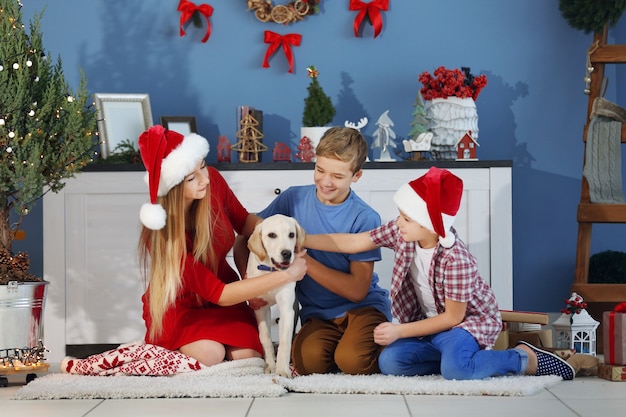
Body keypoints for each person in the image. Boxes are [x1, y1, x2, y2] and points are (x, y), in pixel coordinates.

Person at [305, 166, 575, 380]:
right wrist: (303, 239)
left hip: (463, 326)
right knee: (390, 362)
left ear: (432, 225)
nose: (399, 222)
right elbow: (355, 242)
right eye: (401, 215)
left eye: (407, 218)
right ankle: (454, 359)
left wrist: (400, 331)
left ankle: (522, 358)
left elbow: (453, 317)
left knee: (457, 371)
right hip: (430, 326)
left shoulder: (456, 260)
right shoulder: (404, 232)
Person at [137, 125, 307, 367]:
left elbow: (245, 223)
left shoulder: (212, 182)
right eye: (191, 177)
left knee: (247, 357)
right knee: (210, 354)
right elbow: (220, 294)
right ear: (172, 187)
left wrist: (278, 235)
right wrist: (284, 275)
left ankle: (220, 347)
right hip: (181, 306)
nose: (205, 178)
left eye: (203, 165)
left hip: (225, 292)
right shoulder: (162, 237)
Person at [237, 126, 391, 376]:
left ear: (357, 175)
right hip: (317, 314)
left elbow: (357, 290)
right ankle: (342, 345)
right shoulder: (292, 199)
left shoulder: (365, 217)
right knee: (308, 363)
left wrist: (302, 259)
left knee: (352, 361)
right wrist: (250, 284)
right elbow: (246, 236)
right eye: (320, 170)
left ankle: (384, 341)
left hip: (362, 308)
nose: (326, 182)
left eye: (338, 176)